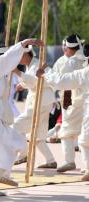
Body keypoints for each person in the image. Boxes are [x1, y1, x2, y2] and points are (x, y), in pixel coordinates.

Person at [0, 39, 43, 196]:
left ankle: (2, 175)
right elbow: (7, 59)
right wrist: (25, 43)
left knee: (18, 143)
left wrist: (34, 74)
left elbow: (28, 80)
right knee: (5, 153)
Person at [41, 43, 89, 181]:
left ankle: (77, 163)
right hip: (80, 103)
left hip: (75, 102)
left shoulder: (83, 71)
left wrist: (46, 72)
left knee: (82, 139)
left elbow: (62, 81)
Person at [12, 47, 57, 168]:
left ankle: (23, 154)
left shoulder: (38, 64)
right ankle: (50, 160)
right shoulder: (31, 66)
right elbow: (32, 81)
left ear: (27, 55)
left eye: (21, 56)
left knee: (17, 126)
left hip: (40, 102)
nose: (19, 59)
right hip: (43, 101)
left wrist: (17, 72)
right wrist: (21, 84)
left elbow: (33, 81)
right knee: (37, 135)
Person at [52, 34, 86, 173]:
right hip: (81, 100)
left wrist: (46, 75)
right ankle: (86, 166)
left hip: (73, 100)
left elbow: (61, 81)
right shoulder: (84, 59)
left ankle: (69, 161)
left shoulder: (70, 62)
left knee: (66, 132)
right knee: (84, 134)